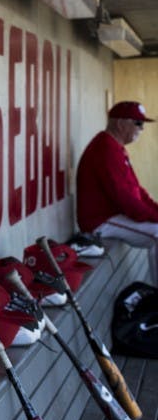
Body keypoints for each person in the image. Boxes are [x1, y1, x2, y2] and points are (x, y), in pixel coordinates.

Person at [76, 100, 158, 283]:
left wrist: (156, 212)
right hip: (99, 222)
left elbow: (138, 191)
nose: (141, 129)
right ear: (121, 123)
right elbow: (125, 200)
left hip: (114, 216)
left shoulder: (115, 147)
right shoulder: (104, 148)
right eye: (137, 123)